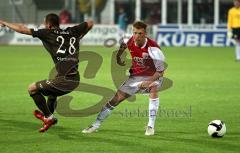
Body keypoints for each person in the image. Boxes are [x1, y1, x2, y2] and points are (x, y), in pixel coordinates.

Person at [0, 13, 93, 132]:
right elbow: (90, 23)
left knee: (32, 88)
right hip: (74, 79)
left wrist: (5, 22)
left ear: (48, 25)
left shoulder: (47, 33)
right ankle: (48, 119)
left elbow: (22, 29)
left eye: (44, 24)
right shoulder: (72, 32)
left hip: (65, 81)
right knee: (52, 94)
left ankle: (48, 117)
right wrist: (80, 36)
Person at [82, 21, 165, 136]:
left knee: (154, 87)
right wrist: (118, 56)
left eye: (140, 33)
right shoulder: (128, 39)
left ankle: (150, 127)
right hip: (135, 76)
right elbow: (123, 44)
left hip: (152, 76)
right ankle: (95, 124)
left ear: (145, 34)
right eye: (135, 33)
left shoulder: (154, 48)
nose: (137, 36)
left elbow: (160, 71)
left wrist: (149, 81)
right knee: (114, 100)